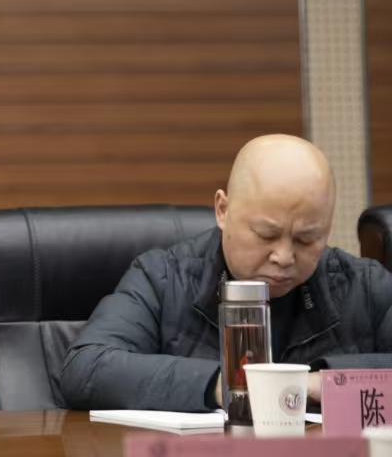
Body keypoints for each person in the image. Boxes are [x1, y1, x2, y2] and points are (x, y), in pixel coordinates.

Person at [59, 134, 392, 411]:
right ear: (223, 210)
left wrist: (326, 382)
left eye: (307, 239)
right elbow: (86, 369)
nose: (284, 257)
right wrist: (231, 386)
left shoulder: (364, 287)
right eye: (266, 234)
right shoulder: (164, 279)